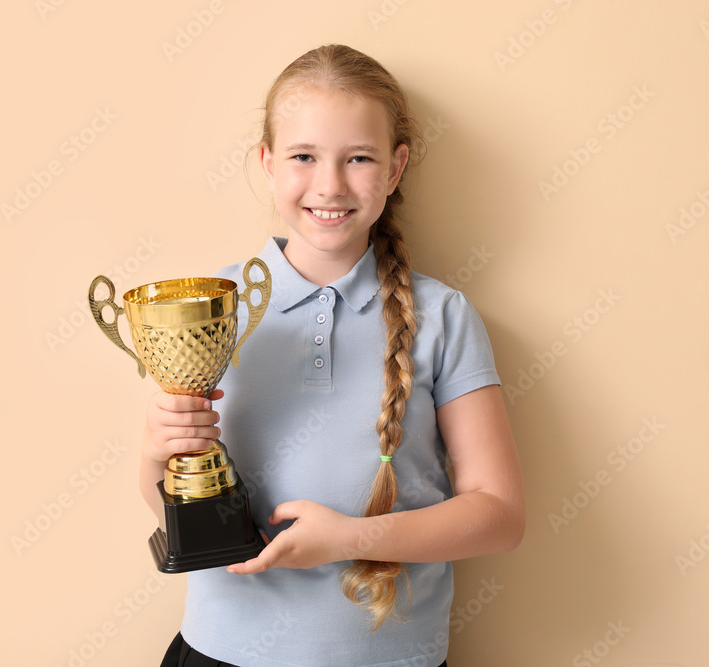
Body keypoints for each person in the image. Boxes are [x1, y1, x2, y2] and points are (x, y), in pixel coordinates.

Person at [140, 44, 525, 667]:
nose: (330, 185)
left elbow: (500, 516)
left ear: (395, 169)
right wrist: (157, 452)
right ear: (267, 164)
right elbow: (170, 505)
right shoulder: (212, 307)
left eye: (359, 159)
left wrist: (350, 538)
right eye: (303, 157)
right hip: (222, 652)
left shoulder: (444, 317)